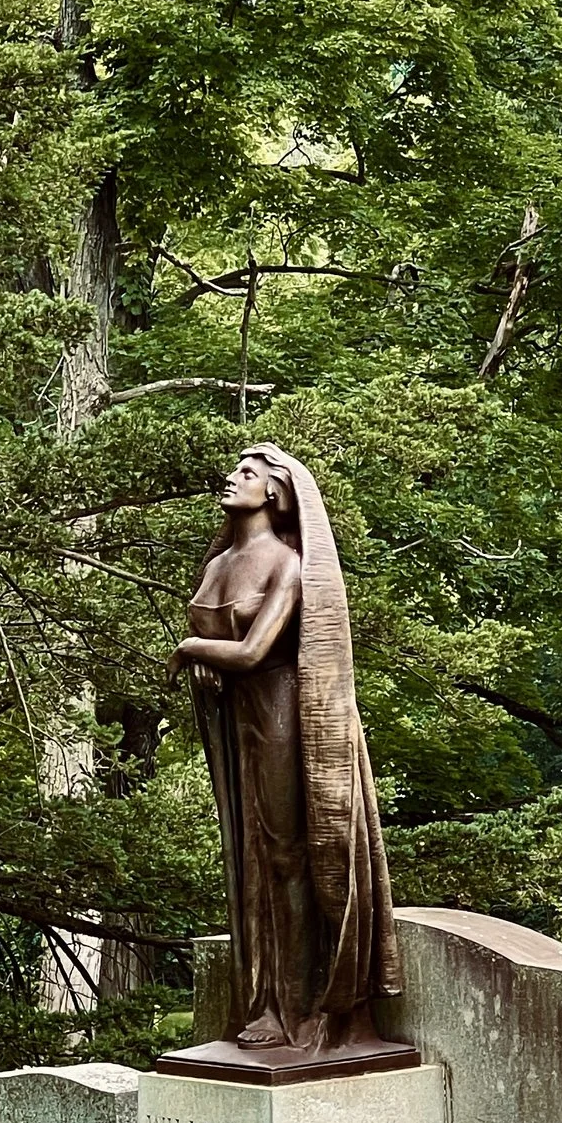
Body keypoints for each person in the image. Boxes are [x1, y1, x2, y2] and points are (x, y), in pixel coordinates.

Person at [171, 445, 400, 1054]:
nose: (232, 478)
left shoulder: (288, 565)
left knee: (284, 857)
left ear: (274, 493)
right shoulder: (219, 563)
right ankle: (265, 997)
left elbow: (250, 653)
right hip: (238, 722)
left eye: (247, 474)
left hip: (282, 716)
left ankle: (298, 1010)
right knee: (250, 858)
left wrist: (191, 650)